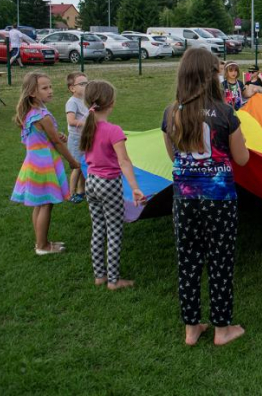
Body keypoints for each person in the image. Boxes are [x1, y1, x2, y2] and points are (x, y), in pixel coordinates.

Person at [162, 48, 250, 347]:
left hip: (184, 199)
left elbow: (173, 156)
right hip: (220, 200)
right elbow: (242, 159)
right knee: (220, 261)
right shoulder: (225, 113)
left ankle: (191, 327)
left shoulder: (171, 112)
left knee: (187, 261)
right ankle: (222, 329)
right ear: (210, 76)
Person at [79, 80, 145, 290]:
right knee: (114, 230)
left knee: (98, 228)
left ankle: (100, 276)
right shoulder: (113, 130)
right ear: (111, 103)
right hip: (109, 184)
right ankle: (114, 281)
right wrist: (135, 187)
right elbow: (124, 161)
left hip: (91, 182)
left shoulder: (87, 127)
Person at [11, 72, 80, 255]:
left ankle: (41, 242)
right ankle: (42, 247)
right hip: (44, 166)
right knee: (46, 204)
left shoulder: (30, 113)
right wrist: (73, 161)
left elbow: (43, 138)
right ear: (32, 92)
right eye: (44, 88)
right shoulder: (43, 116)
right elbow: (56, 143)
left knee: (39, 204)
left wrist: (57, 135)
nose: (50, 91)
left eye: (50, 86)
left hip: (34, 163)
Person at [65, 72, 88, 204]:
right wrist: (88, 123)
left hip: (85, 138)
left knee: (83, 164)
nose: (86, 86)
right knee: (77, 166)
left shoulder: (85, 100)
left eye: (87, 83)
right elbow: (71, 121)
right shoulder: (72, 102)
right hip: (76, 139)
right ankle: (71, 193)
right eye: (82, 84)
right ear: (72, 88)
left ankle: (81, 191)